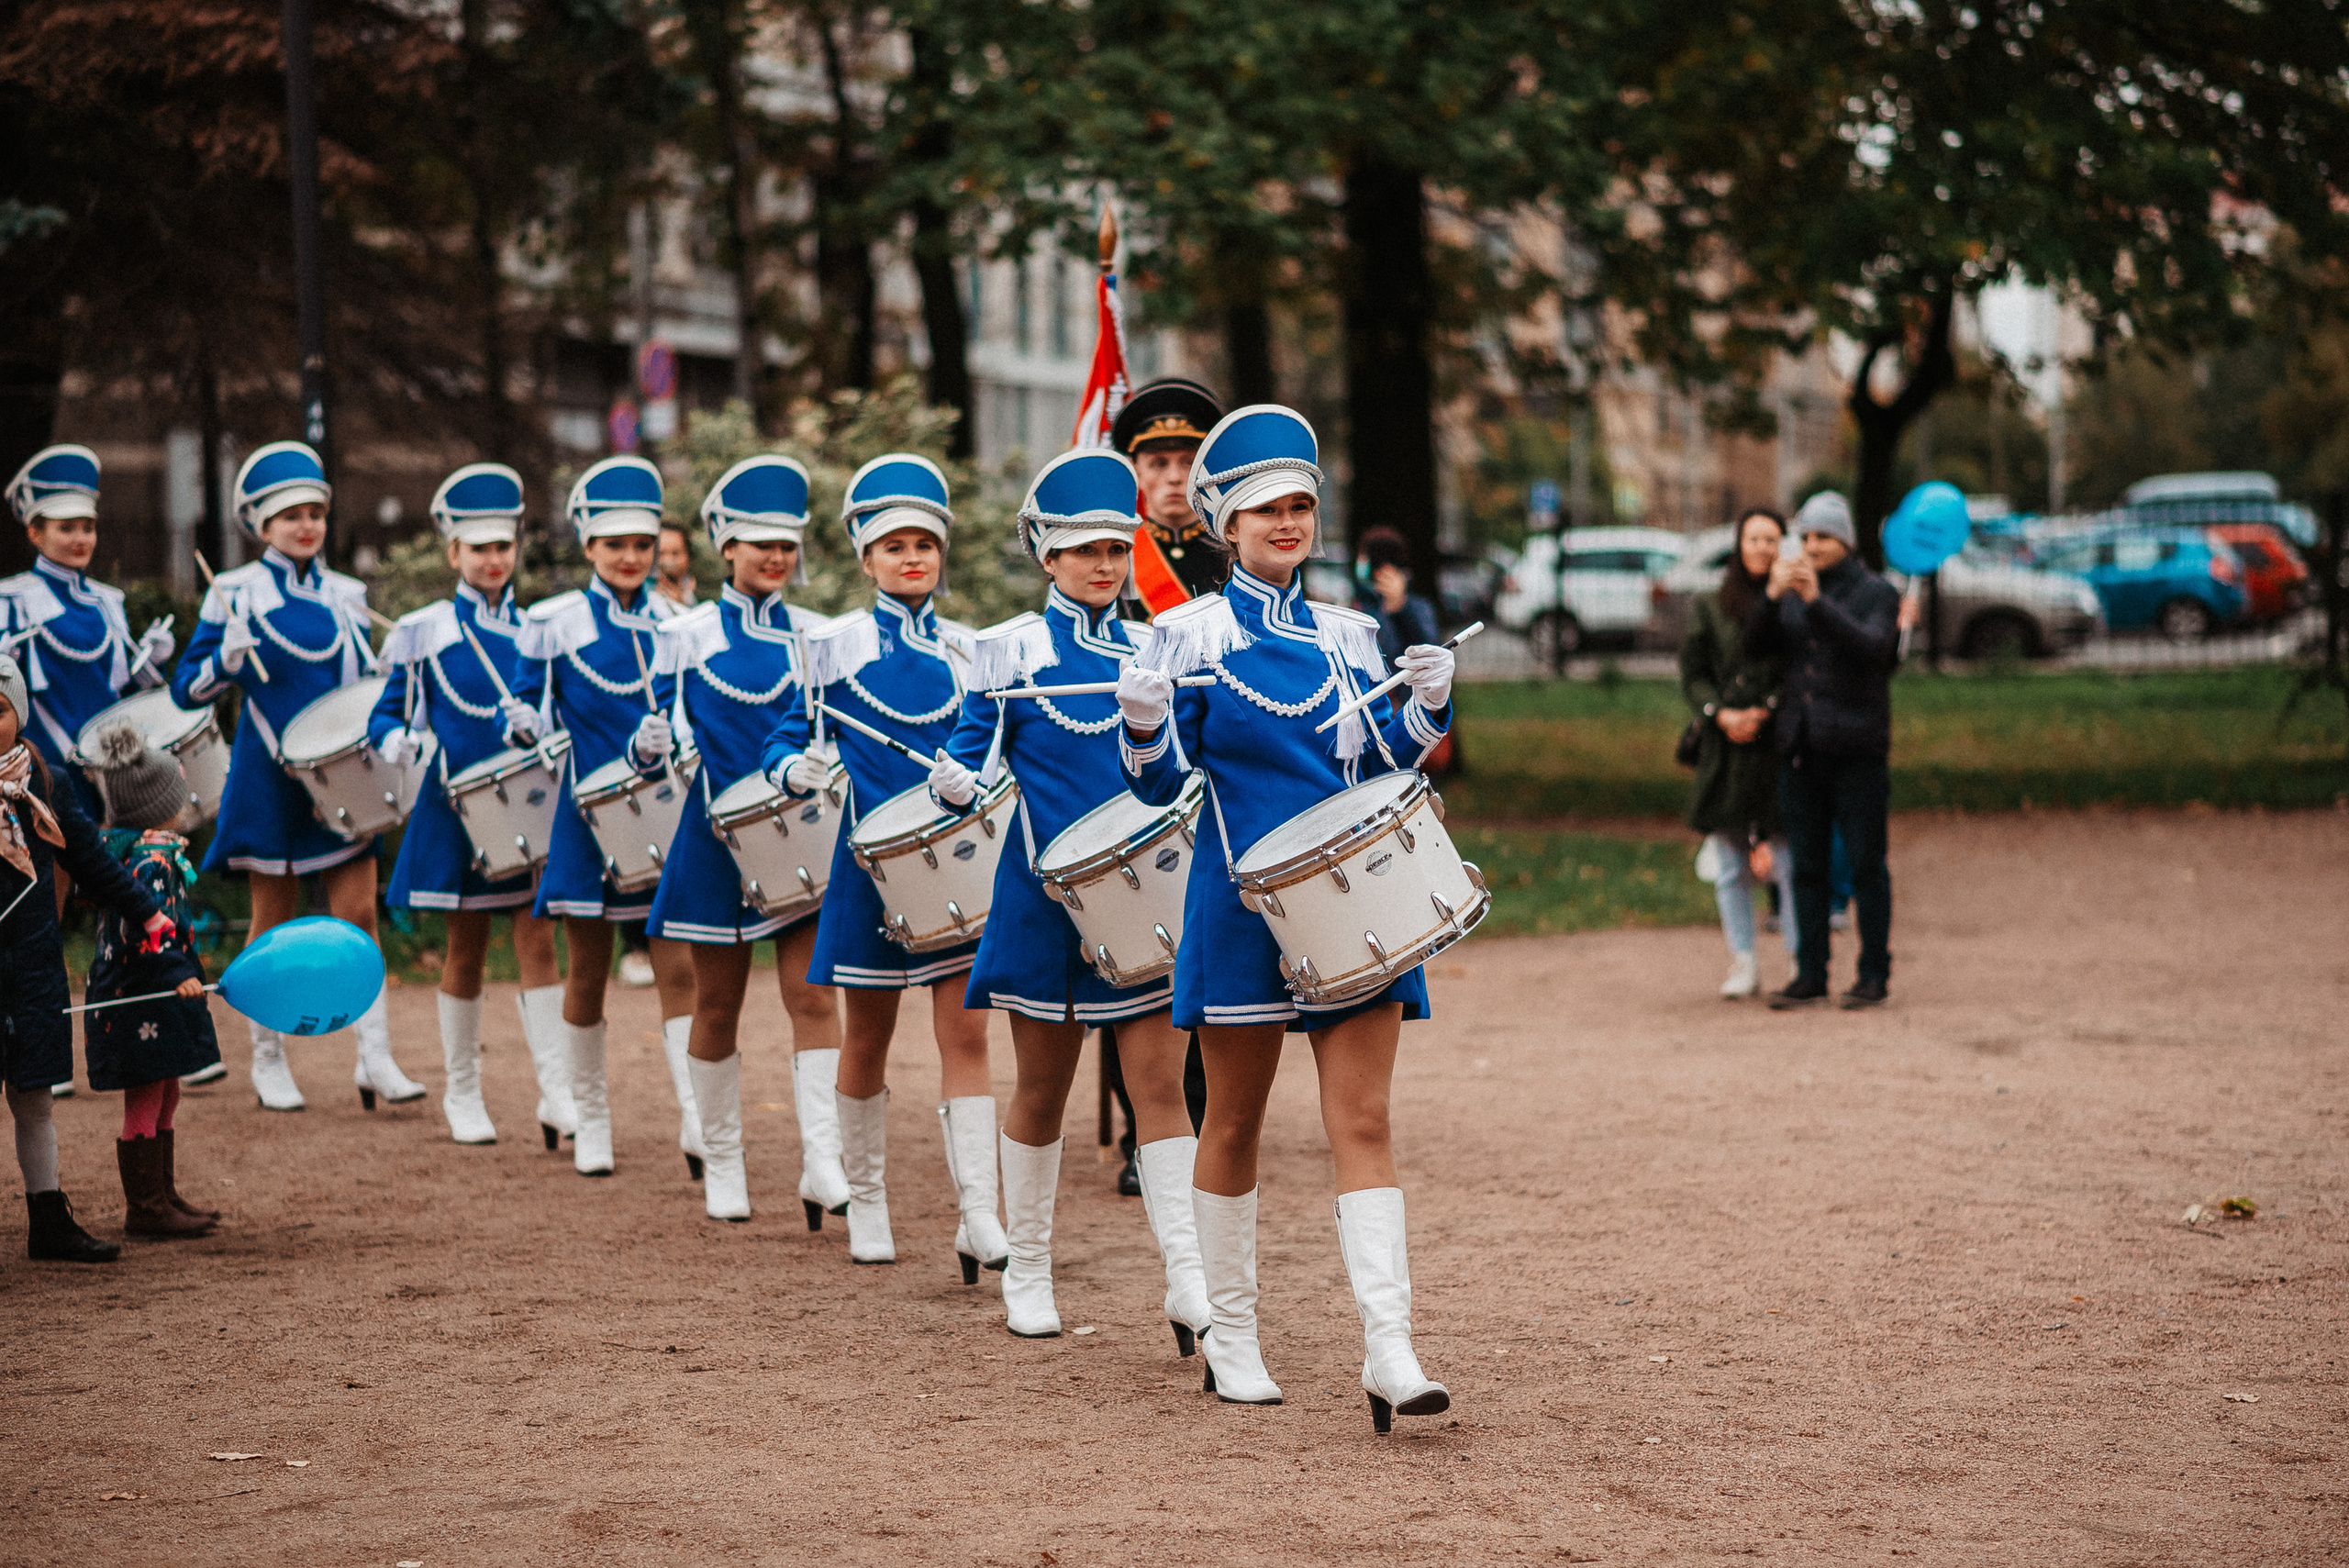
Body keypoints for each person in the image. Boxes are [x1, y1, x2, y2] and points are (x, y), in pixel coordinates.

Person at [1114, 404, 1457, 1433]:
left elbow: (1378, 768)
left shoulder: (1355, 633)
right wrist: (1139, 720)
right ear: (1224, 520)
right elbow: (1157, 785)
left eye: (1301, 504)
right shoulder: (1183, 633)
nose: (1286, 521)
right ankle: (1231, 1335)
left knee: (1363, 1120)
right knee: (1237, 1120)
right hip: (1240, 901)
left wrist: (1429, 712)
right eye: (1265, 507)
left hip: (1358, 903)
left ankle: (1389, 1348)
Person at [926, 448, 1208, 1344]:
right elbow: (971, 746)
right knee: (1040, 1089)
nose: (1102, 564)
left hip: (1144, 895)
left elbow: (1180, 765)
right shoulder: (1006, 648)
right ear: (1045, 554)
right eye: (1083, 548)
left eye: (1115, 548)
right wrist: (954, 781)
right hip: (1041, 896)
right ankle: (1031, 1270)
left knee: (1158, 1086)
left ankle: (1189, 1280)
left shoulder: (1150, 645)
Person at [758, 453, 1001, 1274]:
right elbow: (786, 737)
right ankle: (866, 1200)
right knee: (867, 1036)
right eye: (893, 545)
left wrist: (979, 778)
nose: (911, 558)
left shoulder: (975, 652)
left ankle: (979, 1214)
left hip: (959, 868)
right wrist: (793, 768)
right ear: (864, 558)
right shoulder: (832, 647)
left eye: (924, 545)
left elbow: (1000, 751)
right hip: (869, 867)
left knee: (966, 1033)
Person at [172, 440, 421, 1113]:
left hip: (341, 778)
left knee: (361, 913)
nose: (305, 524)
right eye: (289, 515)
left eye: (314, 511)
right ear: (259, 523)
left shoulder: (347, 594)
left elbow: (363, 686)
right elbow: (184, 692)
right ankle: (269, 1059)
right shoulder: (235, 591)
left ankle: (374, 1057)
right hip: (269, 775)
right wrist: (222, 660)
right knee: (272, 919)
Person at [647, 455, 849, 1226]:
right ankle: (723, 1159)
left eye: (786, 542)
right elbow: (667, 728)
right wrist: (655, 741)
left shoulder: (816, 635)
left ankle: (822, 1160)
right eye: (759, 541)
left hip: (801, 835)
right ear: (724, 546)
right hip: (715, 837)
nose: (775, 555)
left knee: (810, 992)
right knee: (718, 1003)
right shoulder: (686, 633)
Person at [368, 464, 574, 1149]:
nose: (493, 559)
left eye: (503, 546)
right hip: (459, 806)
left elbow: (560, 713)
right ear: (453, 552)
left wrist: (538, 725)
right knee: (464, 947)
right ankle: (463, 1090)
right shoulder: (423, 631)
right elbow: (382, 718)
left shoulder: (542, 627)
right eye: (478, 547)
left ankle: (557, 1091)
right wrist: (405, 740)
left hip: (532, 806)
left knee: (539, 938)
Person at [508, 456, 699, 1177]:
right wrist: (522, 720)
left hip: (664, 811)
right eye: (615, 543)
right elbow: (527, 709)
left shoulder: (678, 623)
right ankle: (590, 1117)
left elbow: (693, 715)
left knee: (677, 964)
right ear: (588, 546)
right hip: (587, 815)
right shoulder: (552, 623)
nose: (630, 557)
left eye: (642, 544)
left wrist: (671, 737)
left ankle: (696, 1115)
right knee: (586, 968)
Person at [4, 444, 182, 1097]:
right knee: (37, 917)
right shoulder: (13, 601)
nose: (80, 538)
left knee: (123, 901)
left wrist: (150, 663)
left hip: (106, 783)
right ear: (34, 531)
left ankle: (134, 1030)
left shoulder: (107, 602)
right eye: (65, 527)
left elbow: (120, 691)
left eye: (87, 526)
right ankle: (38, 1046)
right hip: (43, 782)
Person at [0, 653, 176, 1262]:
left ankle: (48, 1218)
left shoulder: (45, 784)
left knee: (35, 1096)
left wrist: (146, 912)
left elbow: (91, 860)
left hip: (31, 967)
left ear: (18, 713)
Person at [1103, 376, 1224, 1191]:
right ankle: (1148, 1134)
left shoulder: (1234, 552)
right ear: (1134, 471)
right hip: (1136, 768)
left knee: (1207, 950)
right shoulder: (1109, 559)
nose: (1174, 476)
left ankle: (1206, 1120)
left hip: (1213, 769)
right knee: (1136, 949)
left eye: (1187, 459)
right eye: (1158, 460)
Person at [1750, 491, 1900, 1010]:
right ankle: (1810, 971)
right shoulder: (1789, 589)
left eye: (1824, 537)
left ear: (1847, 541)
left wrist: (1817, 602)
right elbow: (1754, 648)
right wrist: (1771, 598)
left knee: (1865, 865)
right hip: (1800, 747)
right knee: (1806, 867)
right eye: (1807, 536)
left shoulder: (1877, 592)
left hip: (1857, 748)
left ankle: (1874, 973)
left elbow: (1876, 651)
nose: (1812, 546)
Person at [80, 719, 218, 1238]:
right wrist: (179, 971)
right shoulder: (149, 860)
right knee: (145, 1094)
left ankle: (163, 1193)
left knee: (167, 1088)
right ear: (156, 805)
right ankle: (145, 1208)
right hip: (138, 993)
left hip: (154, 993)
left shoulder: (155, 852)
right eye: (177, 795)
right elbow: (147, 929)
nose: (184, 802)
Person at [1679, 508, 1797, 999]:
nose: (1762, 548)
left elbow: (1800, 668)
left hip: (1778, 745)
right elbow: (1694, 672)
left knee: (1787, 861)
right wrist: (1720, 714)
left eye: (1772, 539)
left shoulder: (1793, 603)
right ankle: (1744, 961)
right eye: (1754, 538)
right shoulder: (1710, 604)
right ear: (1739, 543)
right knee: (1730, 864)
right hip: (1724, 750)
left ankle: (1799, 960)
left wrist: (1767, 711)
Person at [1353, 526, 1440, 664]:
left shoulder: (1417, 608)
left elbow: (1429, 654)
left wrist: (1400, 609)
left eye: (1364, 557)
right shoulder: (1359, 605)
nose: (1360, 562)